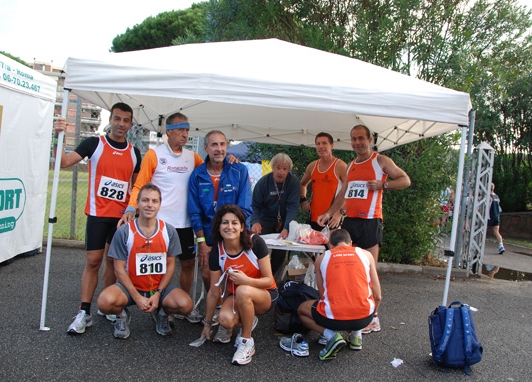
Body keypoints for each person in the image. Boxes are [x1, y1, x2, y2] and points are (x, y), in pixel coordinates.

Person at [54, 102, 142, 334]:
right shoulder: (94, 144)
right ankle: (84, 311)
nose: (121, 124)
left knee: (114, 263)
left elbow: (136, 186)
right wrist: (58, 136)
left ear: (130, 124)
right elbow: (64, 162)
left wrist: (133, 209)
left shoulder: (135, 152)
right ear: (110, 120)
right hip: (97, 214)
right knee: (94, 261)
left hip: (122, 219)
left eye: (125, 120)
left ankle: (108, 305)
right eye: (117, 119)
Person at [317, 124, 410, 334]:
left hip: (370, 221)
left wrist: (383, 185)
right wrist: (330, 213)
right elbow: (343, 195)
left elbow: (405, 180)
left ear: (370, 140)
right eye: (353, 139)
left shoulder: (380, 161)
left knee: (369, 272)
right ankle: (355, 314)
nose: (357, 143)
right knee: (351, 272)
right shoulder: (350, 166)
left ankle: (374, 317)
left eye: (361, 138)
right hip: (351, 222)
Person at [118, 112, 203, 324]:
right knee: (159, 265)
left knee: (188, 264)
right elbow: (140, 184)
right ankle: (149, 303)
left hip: (184, 223)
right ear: (168, 132)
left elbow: (211, 169)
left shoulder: (192, 157)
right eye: (181, 130)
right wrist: (130, 207)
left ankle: (180, 306)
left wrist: (229, 160)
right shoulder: (154, 155)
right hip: (160, 224)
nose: (185, 134)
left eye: (187, 130)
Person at [97, 183, 193, 339]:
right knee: (104, 302)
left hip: (158, 289)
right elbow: (118, 269)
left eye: (154, 201)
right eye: (145, 200)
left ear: (160, 205)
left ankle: (162, 313)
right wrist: (136, 297)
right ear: (138, 204)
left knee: (186, 305)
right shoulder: (124, 231)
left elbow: (170, 266)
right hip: (129, 288)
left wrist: (158, 294)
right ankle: (121, 316)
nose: (150, 205)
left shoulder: (169, 231)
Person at [199, 204, 278, 365]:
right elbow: (214, 291)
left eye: (234, 223)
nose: (229, 227)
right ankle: (248, 318)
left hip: (265, 294)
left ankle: (246, 342)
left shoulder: (255, 242)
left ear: (242, 227)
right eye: (225, 223)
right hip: (237, 295)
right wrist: (207, 323)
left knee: (243, 290)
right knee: (225, 320)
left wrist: (246, 281)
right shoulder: (217, 251)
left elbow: (269, 280)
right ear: (219, 227)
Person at [294, 229, 381, 360]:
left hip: (334, 319)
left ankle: (331, 336)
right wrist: (373, 315)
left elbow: (323, 294)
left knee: (302, 310)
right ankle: (356, 337)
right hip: (365, 318)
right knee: (356, 306)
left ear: (330, 245)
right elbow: (378, 295)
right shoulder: (367, 255)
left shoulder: (322, 258)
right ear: (351, 243)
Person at [188, 130, 252, 294]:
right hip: (209, 235)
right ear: (206, 148)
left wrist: (235, 236)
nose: (219, 149)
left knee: (236, 274)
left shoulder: (239, 170)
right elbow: (195, 212)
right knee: (207, 274)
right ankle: (217, 305)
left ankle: (233, 305)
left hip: (233, 234)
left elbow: (244, 208)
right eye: (214, 144)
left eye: (222, 144)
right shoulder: (197, 175)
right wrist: (201, 242)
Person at [250, 153, 300, 283]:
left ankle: (273, 283)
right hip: (265, 219)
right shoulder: (263, 182)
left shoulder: (293, 183)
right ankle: (257, 278)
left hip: (283, 220)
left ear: (289, 169)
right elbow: (255, 205)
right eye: (278, 168)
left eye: (285, 169)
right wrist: (255, 222)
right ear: (272, 167)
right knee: (258, 247)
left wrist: (287, 227)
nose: (281, 172)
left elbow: (293, 206)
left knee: (280, 251)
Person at [300, 132, 348, 231]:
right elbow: (302, 184)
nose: (321, 146)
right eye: (318, 144)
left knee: (332, 246)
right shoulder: (312, 166)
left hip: (332, 219)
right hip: (313, 218)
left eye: (324, 143)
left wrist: (340, 212)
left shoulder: (340, 166)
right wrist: (303, 201)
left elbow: (351, 190)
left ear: (332, 146)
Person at [488, 183, 505, 254]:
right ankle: (501, 246)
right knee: (496, 232)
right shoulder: (497, 197)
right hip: (496, 216)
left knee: (481, 231)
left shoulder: (489, 197)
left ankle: (477, 245)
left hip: (489, 216)